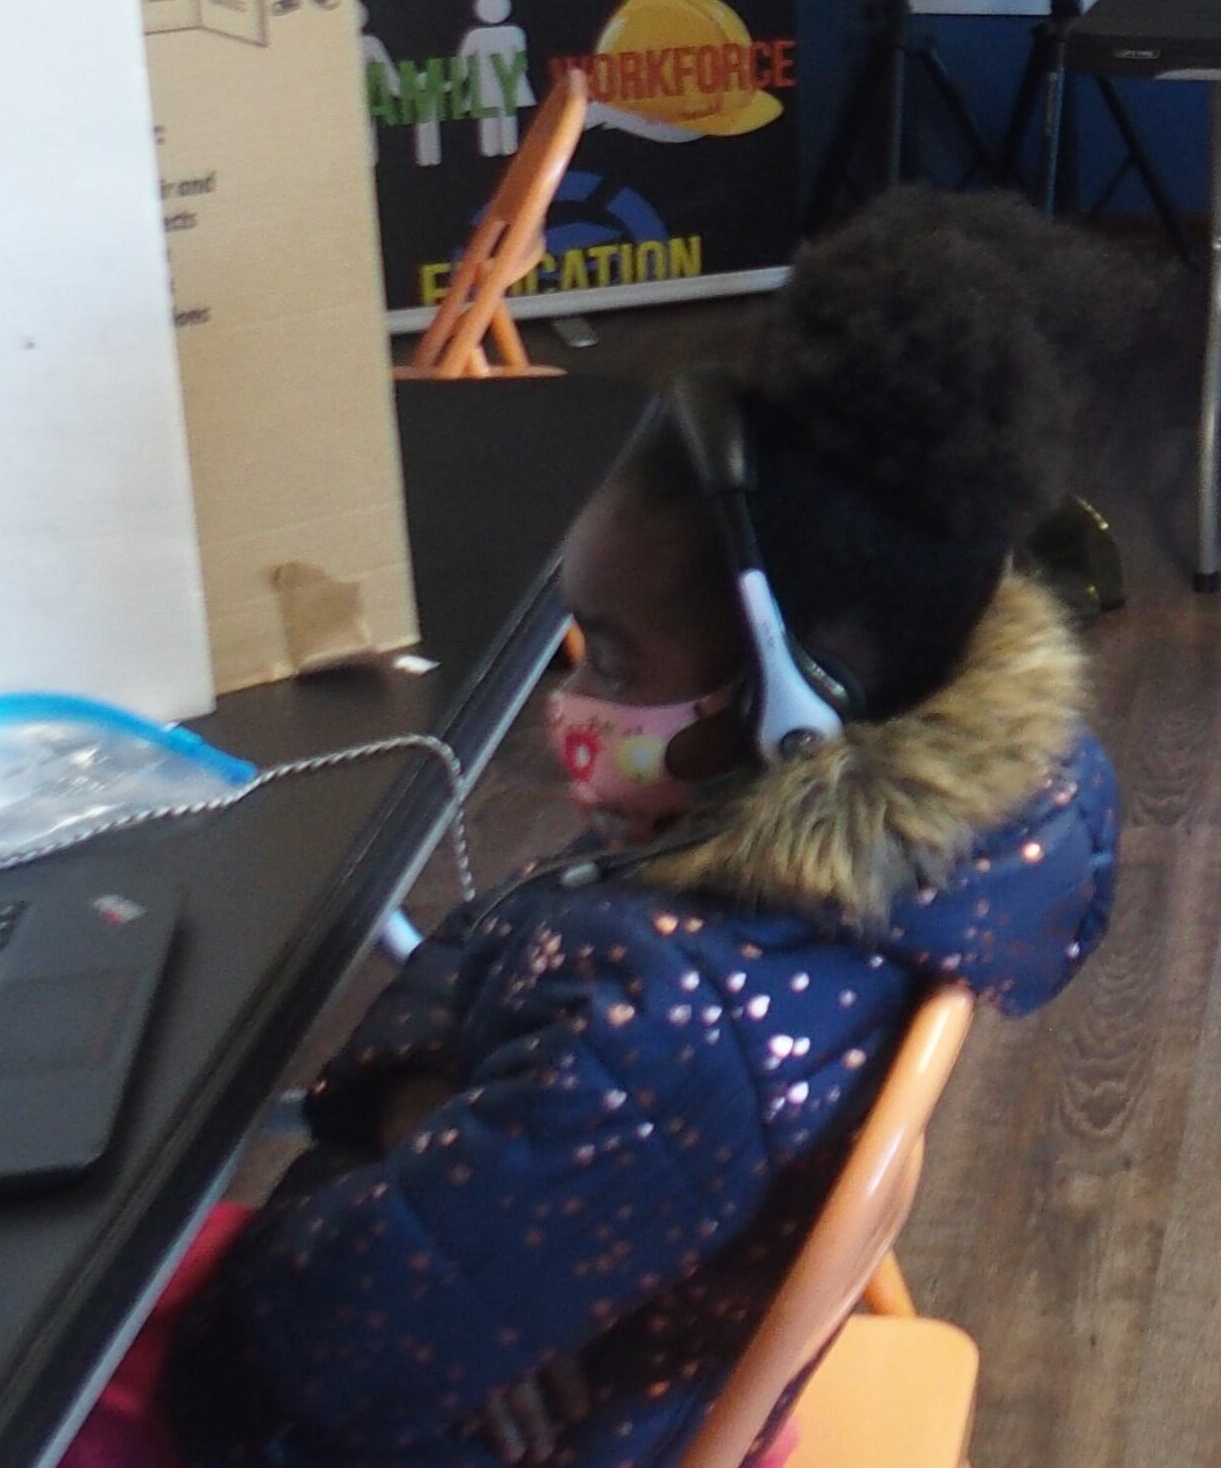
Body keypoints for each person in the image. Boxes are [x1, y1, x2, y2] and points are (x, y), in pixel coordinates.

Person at [155, 190, 1125, 1468]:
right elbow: (518, 932)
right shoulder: (835, 855)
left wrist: (411, 1169)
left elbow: (264, 1368)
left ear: (795, 695)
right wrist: (425, 1117)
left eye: (610, 659)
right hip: (634, 1328)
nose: (574, 701)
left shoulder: (668, 1027)